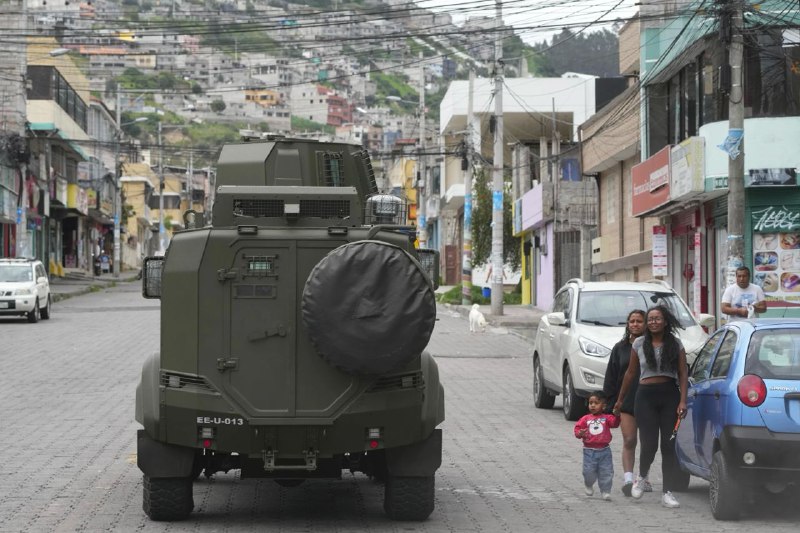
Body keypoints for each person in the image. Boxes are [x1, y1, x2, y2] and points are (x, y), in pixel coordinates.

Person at [613, 305, 688, 508]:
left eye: (657, 318)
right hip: (645, 397)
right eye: (651, 319)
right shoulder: (639, 343)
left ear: (665, 322)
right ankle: (642, 476)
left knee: (668, 446)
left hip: (670, 396)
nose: (653, 322)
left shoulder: (675, 343)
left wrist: (683, 400)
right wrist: (620, 400)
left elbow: (683, 373)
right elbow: (630, 373)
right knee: (649, 444)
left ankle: (667, 492)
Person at [602, 309, 646, 497]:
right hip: (626, 400)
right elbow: (611, 376)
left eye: (639, 321)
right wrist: (611, 402)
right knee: (629, 439)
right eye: (632, 321)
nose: (635, 324)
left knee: (648, 443)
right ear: (628, 324)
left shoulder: (651, 346)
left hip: (649, 400)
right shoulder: (619, 348)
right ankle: (628, 479)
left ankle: (643, 478)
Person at [574, 391, 620, 501]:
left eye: (596, 403)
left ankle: (605, 491)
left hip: (605, 451)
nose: (593, 405)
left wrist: (617, 415)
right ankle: (588, 483)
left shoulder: (607, 418)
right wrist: (580, 433)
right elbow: (577, 430)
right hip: (589, 451)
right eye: (591, 403)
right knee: (588, 472)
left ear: (603, 406)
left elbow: (615, 423)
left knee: (606, 471)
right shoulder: (585, 419)